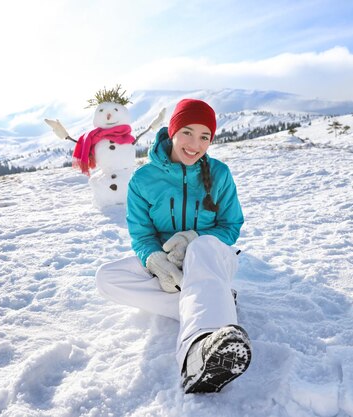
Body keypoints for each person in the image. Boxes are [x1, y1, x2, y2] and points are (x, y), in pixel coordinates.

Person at [95, 98, 251, 394]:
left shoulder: (219, 174)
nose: (195, 144)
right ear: (173, 131)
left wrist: (193, 241)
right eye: (188, 132)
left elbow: (231, 226)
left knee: (202, 247)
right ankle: (216, 302)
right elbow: (141, 235)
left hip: (213, 259)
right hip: (171, 269)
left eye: (205, 137)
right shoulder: (143, 180)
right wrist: (155, 260)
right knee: (106, 278)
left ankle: (199, 348)